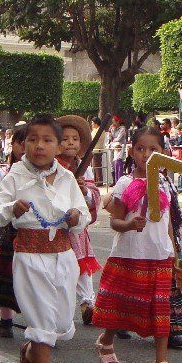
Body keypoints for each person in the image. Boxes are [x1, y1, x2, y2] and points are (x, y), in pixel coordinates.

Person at [0, 115, 89, 363]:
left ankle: (31, 352)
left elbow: (84, 215)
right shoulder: (16, 176)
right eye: (32, 140)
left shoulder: (68, 178)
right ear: (23, 145)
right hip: (30, 258)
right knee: (42, 319)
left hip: (63, 256)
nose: (39, 146)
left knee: (59, 323)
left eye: (47, 140)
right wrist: (11, 208)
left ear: (58, 146)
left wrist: (74, 216)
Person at [93, 126, 182, 363]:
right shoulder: (125, 183)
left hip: (159, 256)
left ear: (163, 153)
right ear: (132, 151)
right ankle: (106, 340)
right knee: (119, 305)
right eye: (141, 149)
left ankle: (161, 360)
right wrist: (131, 225)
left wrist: (175, 256)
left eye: (153, 149)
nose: (146, 154)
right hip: (128, 255)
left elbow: (167, 223)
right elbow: (115, 221)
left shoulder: (165, 183)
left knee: (160, 308)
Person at [55, 115, 101, 325]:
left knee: (83, 266)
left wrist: (83, 190)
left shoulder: (84, 166)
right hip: (56, 226)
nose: (71, 142)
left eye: (75, 138)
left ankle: (88, 303)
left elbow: (93, 194)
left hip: (78, 227)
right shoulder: (51, 165)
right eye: (65, 138)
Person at [0, 125, 26, 338]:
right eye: (22, 142)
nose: (28, 147)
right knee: (4, 276)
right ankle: (6, 318)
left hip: (36, 235)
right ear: (14, 145)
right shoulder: (2, 174)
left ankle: (40, 322)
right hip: (8, 231)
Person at [108, 115, 128, 185]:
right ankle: (114, 181)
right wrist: (110, 131)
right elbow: (110, 138)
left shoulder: (122, 129)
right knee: (112, 163)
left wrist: (113, 140)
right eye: (112, 122)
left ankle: (119, 181)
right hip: (113, 148)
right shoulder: (112, 128)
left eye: (114, 122)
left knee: (118, 163)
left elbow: (118, 139)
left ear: (118, 121)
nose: (113, 123)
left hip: (120, 149)